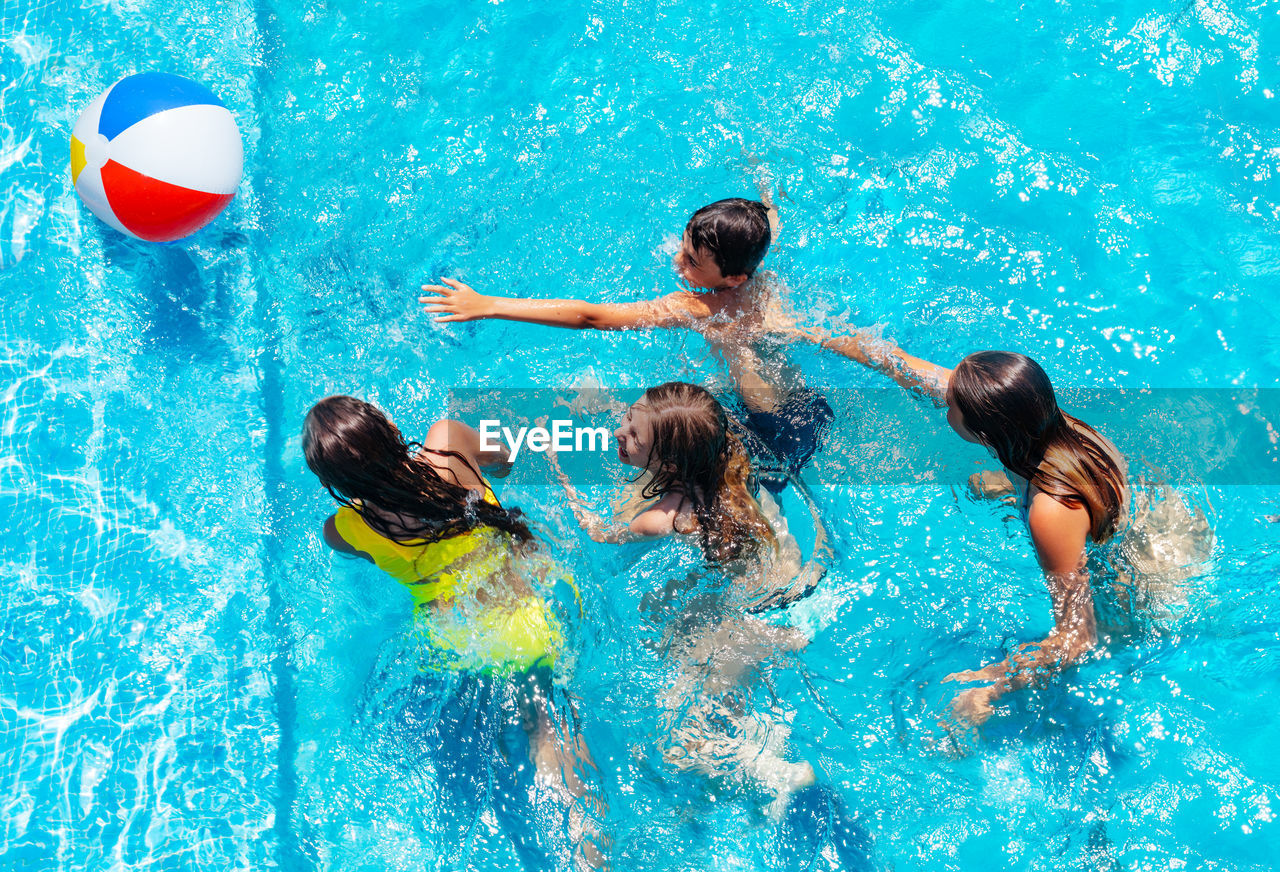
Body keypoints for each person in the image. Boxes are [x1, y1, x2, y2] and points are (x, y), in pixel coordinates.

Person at [302, 395, 609, 870]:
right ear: (387, 428)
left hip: (459, 645)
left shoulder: (345, 528)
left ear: (333, 482)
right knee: (549, 738)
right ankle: (592, 853)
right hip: (534, 606)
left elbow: (367, 559)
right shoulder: (448, 444)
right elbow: (505, 461)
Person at [785, 329, 1130, 726]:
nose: (943, 399)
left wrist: (992, 683)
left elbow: (1079, 638)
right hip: (1114, 511)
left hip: (1135, 579)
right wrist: (799, 329)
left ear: (983, 433)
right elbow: (900, 363)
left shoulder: (1049, 513)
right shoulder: (1041, 418)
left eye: (951, 405)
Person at [418, 198, 833, 493]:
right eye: (683, 245)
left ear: (734, 278)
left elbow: (590, 317)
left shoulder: (698, 307)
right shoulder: (760, 272)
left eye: (691, 261)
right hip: (801, 408)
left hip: (767, 436)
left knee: (666, 482)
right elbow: (840, 339)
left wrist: (487, 305)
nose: (677, 261)